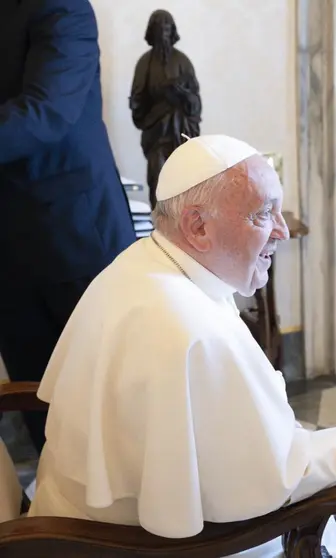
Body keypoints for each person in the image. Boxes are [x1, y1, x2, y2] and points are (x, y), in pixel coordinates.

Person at [27, 135, 336, 557]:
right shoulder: (188, 328)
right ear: (197, 226)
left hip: (76, 521)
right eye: (264, 214)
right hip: (138, 545)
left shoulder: (142, 263)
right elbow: (284, 474)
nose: (284, 232)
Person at [0, 0, 136, 453]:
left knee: (111, 404)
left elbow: (45, 113)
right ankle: (60, 514)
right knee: (40, 405)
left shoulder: (62, 7)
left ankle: (133, 520)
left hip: (75, 236)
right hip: (10, 249)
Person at [130, 9, 202, 209]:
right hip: (156, 133)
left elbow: (195, 102)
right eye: (159, 28)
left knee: (183, 181)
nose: (163, 32)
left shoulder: (183, 62)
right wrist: (143, 105)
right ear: (152, 32)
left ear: (173, 31)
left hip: (181, 132)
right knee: (158, 179)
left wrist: (182, 94)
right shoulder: (145, 63)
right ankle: (160, 227)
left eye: (167, 27)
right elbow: (137, 99)